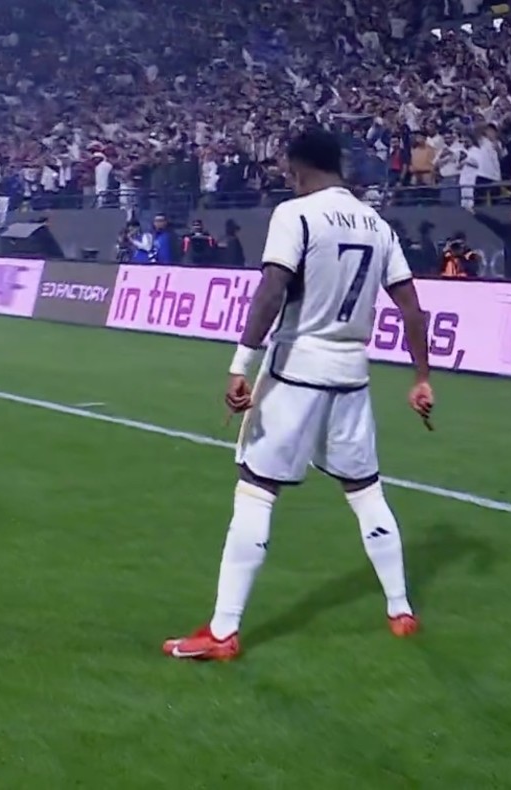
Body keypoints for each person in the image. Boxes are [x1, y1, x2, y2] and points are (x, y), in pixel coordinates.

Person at [163, 128, 434, 662]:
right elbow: (412, 308)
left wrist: (240, 364)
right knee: (365, 491)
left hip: (296, 370)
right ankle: (400, 610)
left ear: (298, 167)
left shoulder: (296, 214)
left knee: (256, 490)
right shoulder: (377, 224)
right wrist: (421, 377)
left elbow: (271, 291)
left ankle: (223, 631)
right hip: (352, 373)